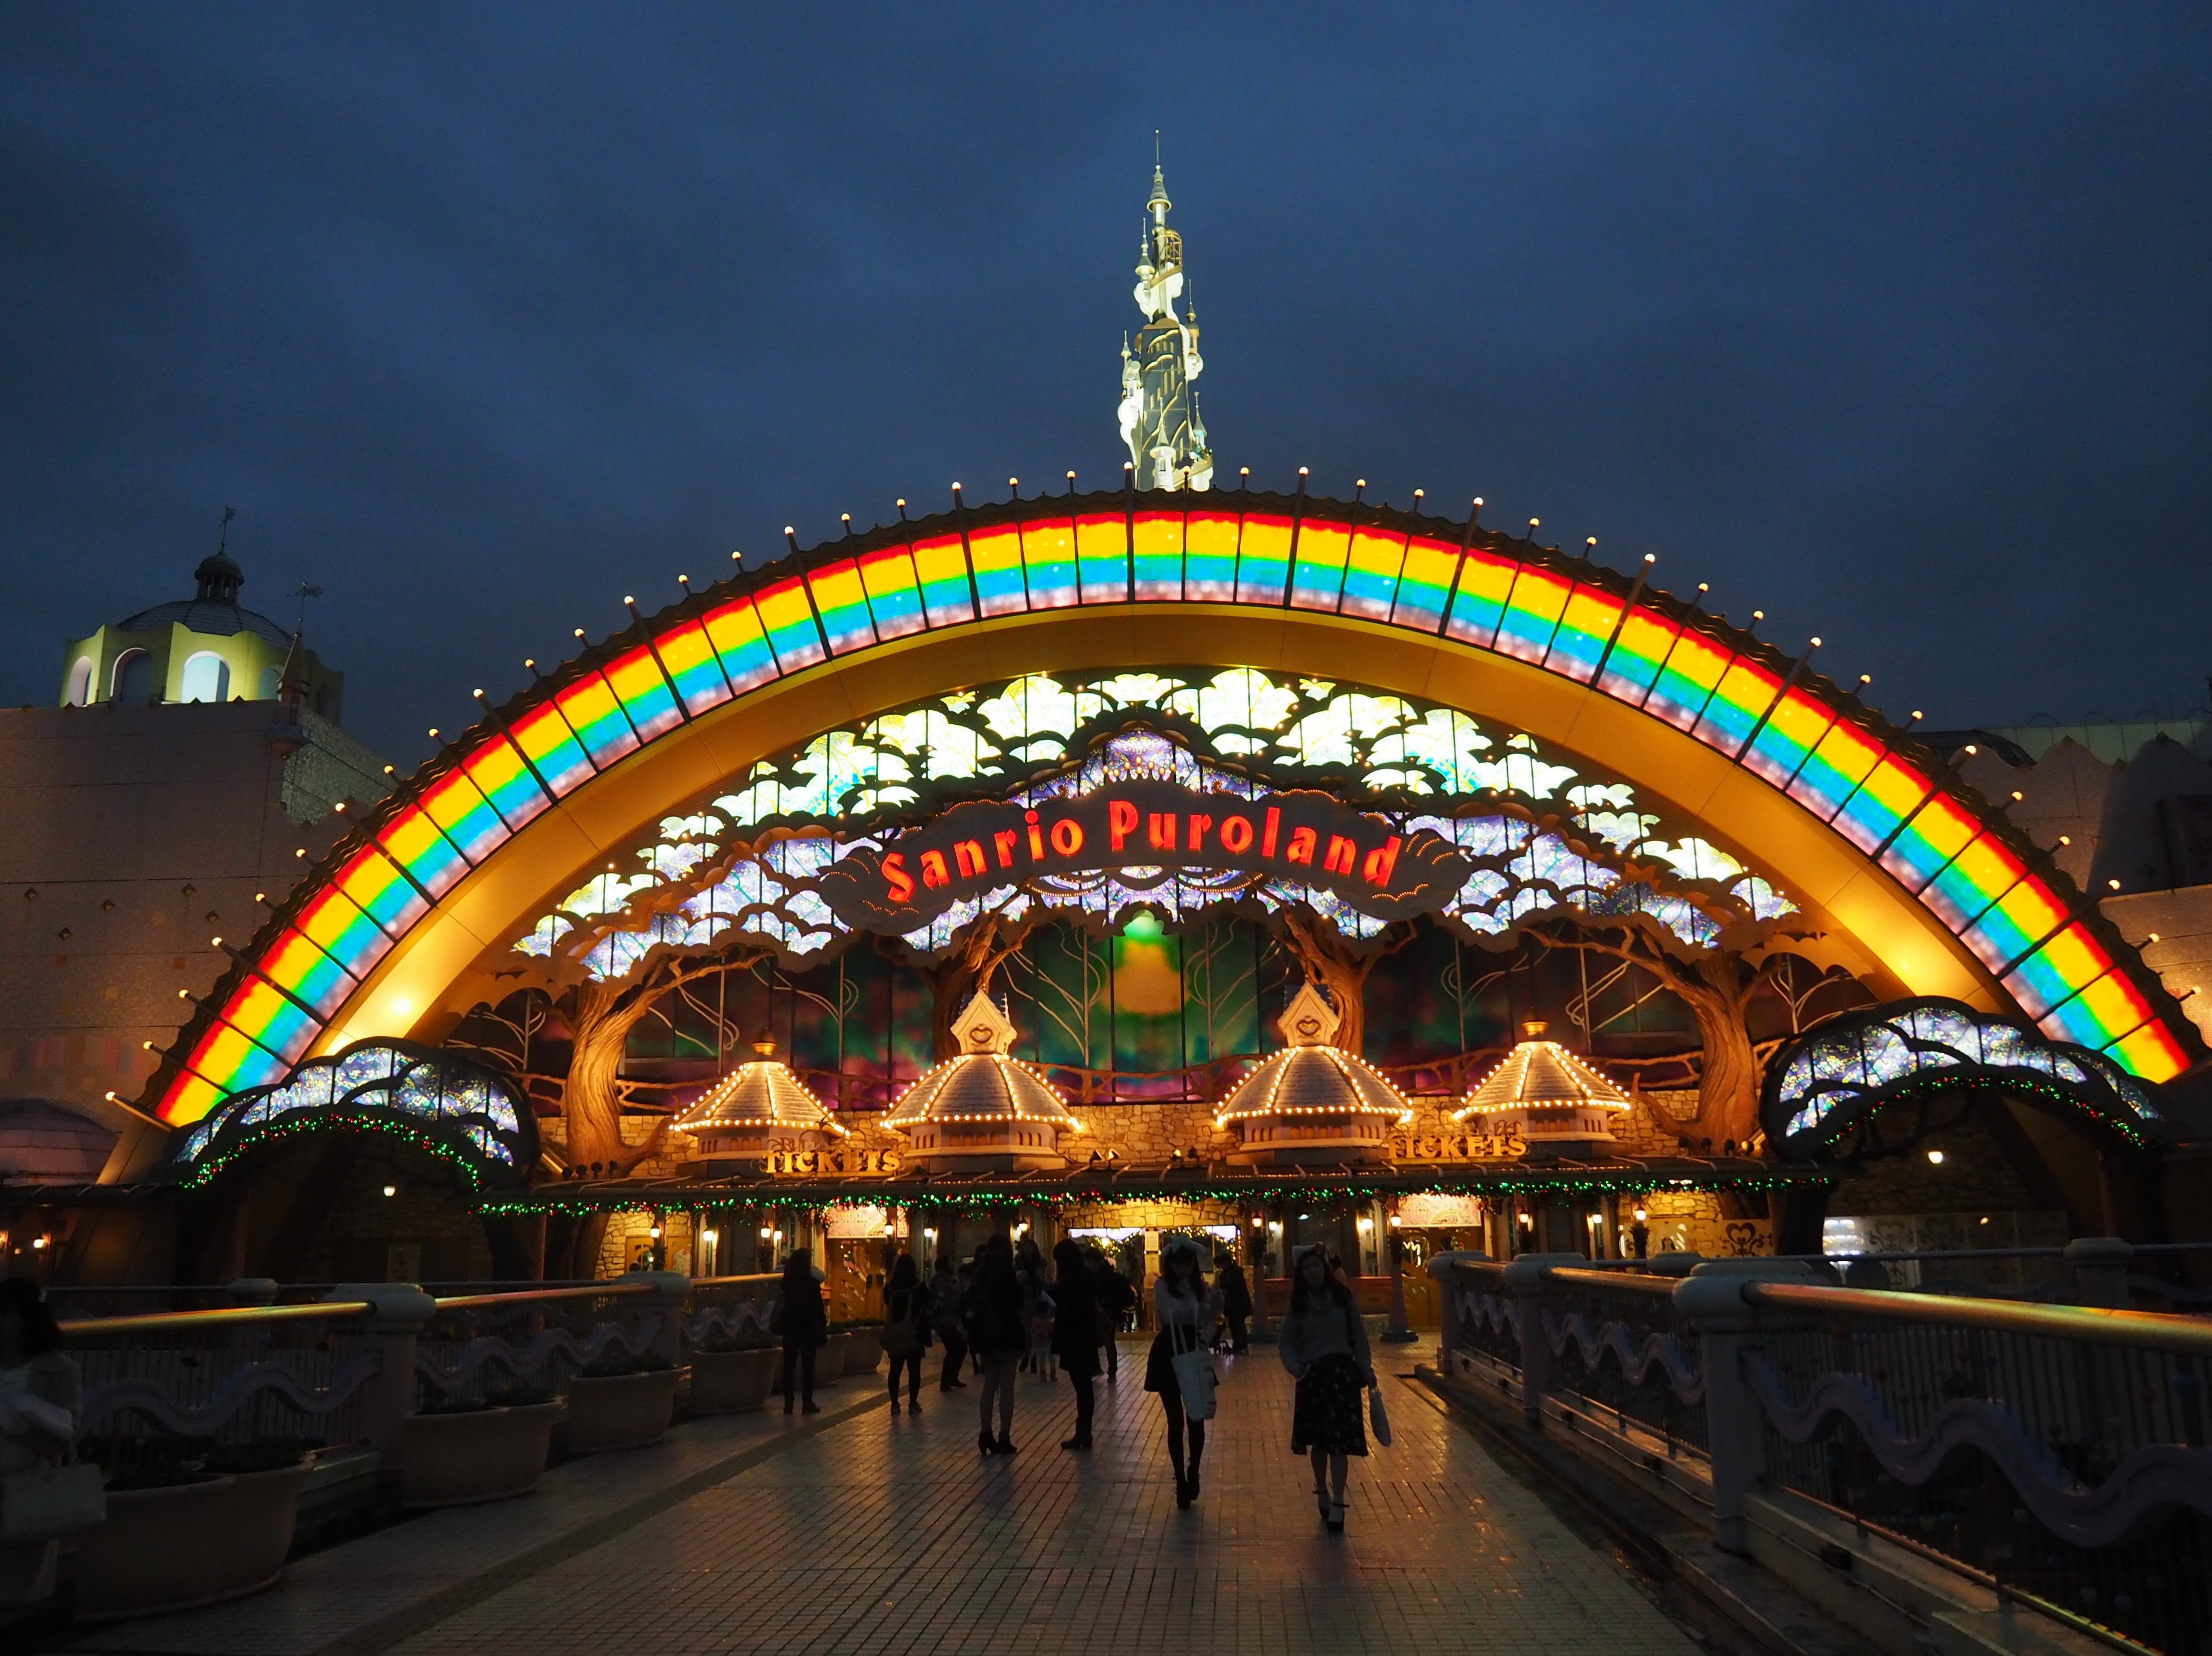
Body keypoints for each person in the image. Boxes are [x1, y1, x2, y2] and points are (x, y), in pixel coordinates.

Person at [1280, 1245, 1374, 1534]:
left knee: (1339, 1443)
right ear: (1302, 1273)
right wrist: (1295, 1367)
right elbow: (1286, 1342)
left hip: (1341, 1374)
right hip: (1313, 1376)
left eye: (1317, 1267)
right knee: (1319, 1442)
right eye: (1307, 1268)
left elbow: (1359, 1335)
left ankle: (1338, 1501)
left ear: (1326, 1269)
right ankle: (1321, 1488)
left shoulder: (1343, 1297)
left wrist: (1366, 1368)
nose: (1313, 1272)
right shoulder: (1298, 1304)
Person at [0, 1278, 81, 1606]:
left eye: (4, 1313)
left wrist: (17, 1429)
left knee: (17, 1594)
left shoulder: (59, 1371)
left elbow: (63, 1443)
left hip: (26, 1490)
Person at [1144, 1240, 1222, 1509]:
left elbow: (1211, 1320)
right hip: (1170, 1350)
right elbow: (1168, 1316)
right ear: (1170, 1264)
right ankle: (1180, 1479)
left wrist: (1206, 1333)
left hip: (1194, 1346)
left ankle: (1194, 1470)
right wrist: (1201, 1311)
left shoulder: (1200, 1288)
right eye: (1179, 1263)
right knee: (1175, 1419)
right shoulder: (1163, 1286)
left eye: (1188, 1263)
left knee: (1196, 1416)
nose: (1184, 1268)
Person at [963, 1234, 1026, 1454]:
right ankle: (1004, 1435)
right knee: (1007, 1386)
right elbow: (1016, 1302)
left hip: (986, 1336)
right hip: (1007, 1334)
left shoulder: (980, 1273)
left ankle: (985, 1432)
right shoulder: (1007, 1272)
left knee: (989, 1385)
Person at [1049, 1238, 1101, 1450]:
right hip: (1084, 1339)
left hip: (1075, 1339)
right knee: (1084, 1388)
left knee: (1082, 1387)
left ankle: (1083, 1432)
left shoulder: (1074, 1280)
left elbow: (1071, 1306)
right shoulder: (1084, 1276)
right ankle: (1084, 1431)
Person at [776, 1247, 827, 1415]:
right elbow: (818, 1307)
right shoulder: (811, 1283)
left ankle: (788, 1403)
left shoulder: (787, 1283)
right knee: (808, 1366)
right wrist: (822, 1322)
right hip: (808, 1327)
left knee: (789, 1365)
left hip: (790, 1327)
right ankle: (807, 1401)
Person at [882, 1252, 930, 1414]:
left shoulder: (890, 1287)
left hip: (895, 1332)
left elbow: (888, 1303)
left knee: (895, 1369)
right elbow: (927, 1304)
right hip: (913, 1332)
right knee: (914, 1369)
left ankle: (895, 1404)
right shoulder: (919, 1287)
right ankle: (913, 1403)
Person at [1089, 1247, 1135, 1382]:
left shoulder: (1098, 1277)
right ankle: (1111, 1370)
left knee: (1099, 1340)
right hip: (1112, 1313)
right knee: (1109, 1342)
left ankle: (1099, 1368)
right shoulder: (1113, 1276)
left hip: (1104, 1313)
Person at [930, 1254, 968, 1391]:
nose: (953, 1263)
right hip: (944, 1321)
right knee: (955, 1349)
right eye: (951, 1261)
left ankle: (951, 1378)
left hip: (949, 1321)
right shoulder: (941, 1280)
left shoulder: (947, 1279)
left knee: (960, 1348)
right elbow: (947, 1300)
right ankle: (946, 1381)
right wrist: (959, 1298)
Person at [1216, 1251, 1254, 1353]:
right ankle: (1238, 1344)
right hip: (1233, 1303)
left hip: (1238, 1303)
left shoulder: (1234, 1273)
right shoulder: (1229, 1273)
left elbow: (1233, 1286)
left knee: (1238, 1324)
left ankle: (1242, 1344)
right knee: (1234, 1324)